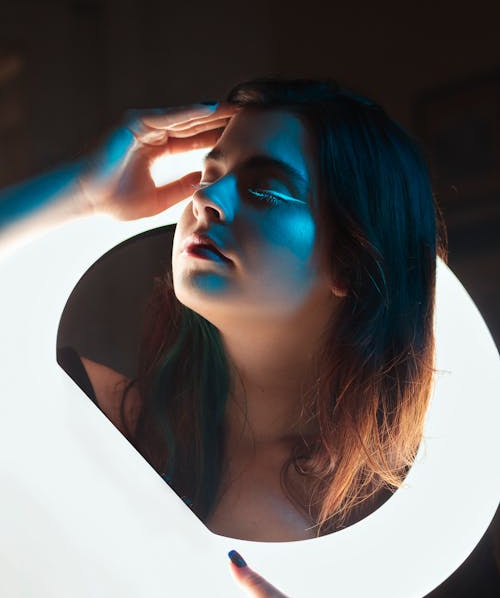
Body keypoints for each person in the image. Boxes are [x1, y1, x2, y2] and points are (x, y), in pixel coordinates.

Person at [0, 78, 448, 590]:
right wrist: (83, 191)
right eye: (208, 175)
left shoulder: (419, 523)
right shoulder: (95, 422)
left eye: (264, 189)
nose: (205, 198)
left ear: (352, 259)